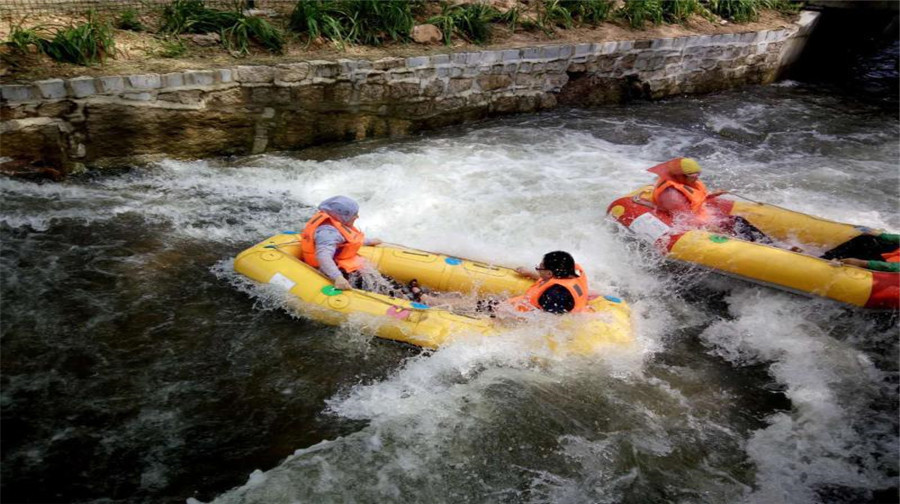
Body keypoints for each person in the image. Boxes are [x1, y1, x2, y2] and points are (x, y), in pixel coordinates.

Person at [647, 157, 775, 244]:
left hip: (701, 215)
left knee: (739, 221)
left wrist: (711, 195)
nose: (696, 178)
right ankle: (764, 248)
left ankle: (770, 245)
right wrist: (711, 227)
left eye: (698, 174)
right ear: (679, 175)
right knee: (735, 224)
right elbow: (684, 219)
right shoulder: (671, 194)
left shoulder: (685, 182)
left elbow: (693, 200)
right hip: (694, 223)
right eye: (693, 176)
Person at [299, 195, 384, 291]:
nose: (357, 216)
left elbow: (348, 239)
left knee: (378, 279)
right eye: (354, 214)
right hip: (332, 270)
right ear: (342, 215)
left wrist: (369, 241)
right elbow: (323, 256)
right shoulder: (328, 233)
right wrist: (338, 278)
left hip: (342, 265)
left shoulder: (336, 224)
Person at [507, 251, 589, 314]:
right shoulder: (572, 276)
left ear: (549, 273)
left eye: (540, 268)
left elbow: (545, 321)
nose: (538, 269)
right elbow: (555, 279)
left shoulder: (553, 295)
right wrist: (531, 273)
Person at [823, 230, 899, 272]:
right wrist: (881, 235)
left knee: (863, 256)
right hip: (892, 254)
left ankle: (825, 265)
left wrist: (864, 263)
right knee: (866, 239)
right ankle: (826, 257)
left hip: (889, 267)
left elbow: (891, 267)